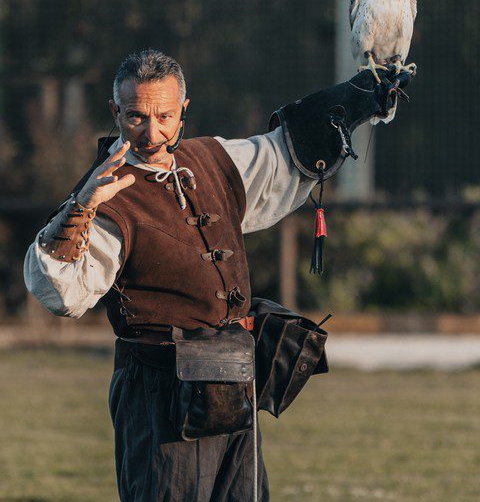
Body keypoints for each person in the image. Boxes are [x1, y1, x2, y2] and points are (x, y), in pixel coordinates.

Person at [24, 49, 408, 501]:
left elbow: (279, 154)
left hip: (232, 381)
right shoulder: (106, 196)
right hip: (159, 397)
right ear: (115, 112)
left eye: (165, 116)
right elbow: (61, 291)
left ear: (183, 110)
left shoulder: (210, 159)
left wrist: (358, 96)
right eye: (136, 117)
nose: (152, 131)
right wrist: (82, 206)